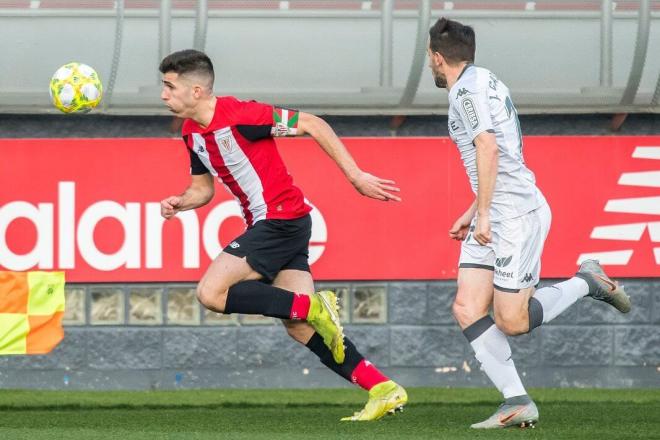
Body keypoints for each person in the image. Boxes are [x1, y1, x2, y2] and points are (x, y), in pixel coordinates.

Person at [158, 49, 407, 421]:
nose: (163, 94)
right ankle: (382, 388)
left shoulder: (242, 115)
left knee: (211, 292)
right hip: (280, 225)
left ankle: (315, 306)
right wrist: (181, 202)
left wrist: (355, 176)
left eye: (169, 86)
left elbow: (313, 124)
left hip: (280, 220)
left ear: (196, 90)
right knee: (298, 326)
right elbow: (202, 189)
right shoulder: (192, 133)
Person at [427, 18, 631, 429]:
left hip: (514, 217)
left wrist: (483, 214)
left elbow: (487, 146)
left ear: (436, 57)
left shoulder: (465, 90)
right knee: (467, 307)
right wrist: (474, 211)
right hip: (495, 210)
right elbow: (498, 153)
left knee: (512, 321)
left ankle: (586, 282)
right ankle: (516, 401)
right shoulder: (483, 81)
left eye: (429, 59)